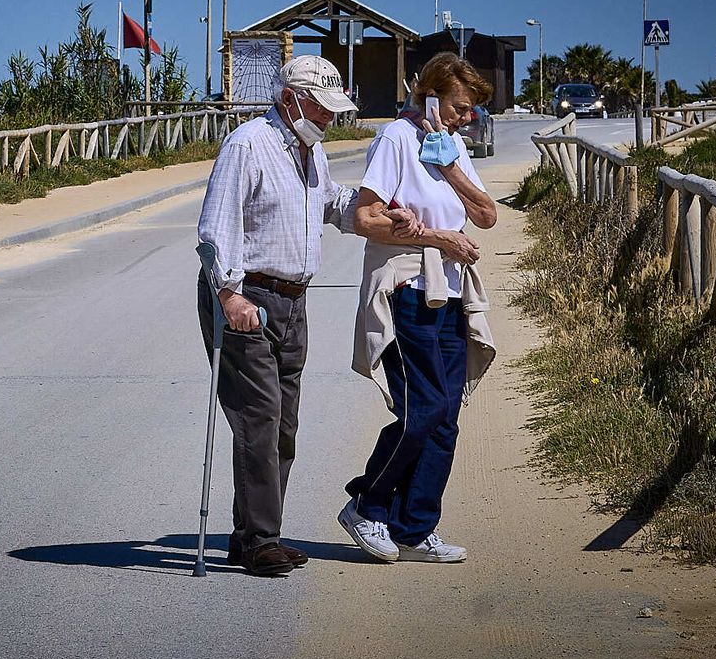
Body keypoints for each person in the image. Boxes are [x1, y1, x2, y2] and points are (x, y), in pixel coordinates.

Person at [197, 55, 421, 577]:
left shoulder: (311, 153)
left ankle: (252, 534)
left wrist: (382, 210)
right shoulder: (248, 144)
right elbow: (216, 228)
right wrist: (229, 296)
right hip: (246, 297)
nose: (326, 119)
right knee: (261, 418)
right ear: (291, 98)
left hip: (293, 302)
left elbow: (334, 204)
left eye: (331, 111)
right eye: (320, 109)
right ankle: (259, 540)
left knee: (284, 425)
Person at [337, 51, 499, 564]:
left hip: (449, 292)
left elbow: (487, 215)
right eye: (458, 106)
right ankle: (369, 505)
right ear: (429, 95)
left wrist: (449, 165)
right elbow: (365, 218)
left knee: (446, 415)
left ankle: (415, 527)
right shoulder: (395, 140)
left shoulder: (448, 145)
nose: (465, 116)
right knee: (420, 409)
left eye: (470, 109)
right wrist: (435, 237)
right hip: (406, 288)